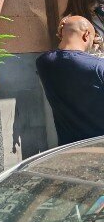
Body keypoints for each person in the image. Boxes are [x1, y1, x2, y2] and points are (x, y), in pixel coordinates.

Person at [36, 15, 104, 145]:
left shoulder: (43, 63)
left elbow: (61, 55)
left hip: (69, 148)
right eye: (93, 39)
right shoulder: (99, 67)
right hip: (100, 146)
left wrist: (65, 34)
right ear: (86, 35)